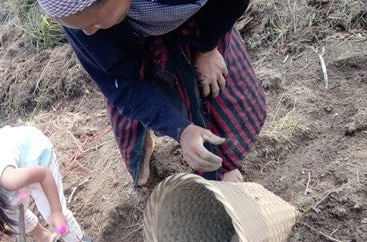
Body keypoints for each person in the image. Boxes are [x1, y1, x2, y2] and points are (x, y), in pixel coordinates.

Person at [37, 0, 265, 185]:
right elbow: (122, 85)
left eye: (94, 21)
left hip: (191, 16)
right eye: (78, 26)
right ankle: (140, 150)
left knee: (208, 86)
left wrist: (207, 47)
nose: (87, 31)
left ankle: (224, 164)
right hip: (127, 40)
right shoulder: (81, 23)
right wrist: (181, 130)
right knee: (137, 104)